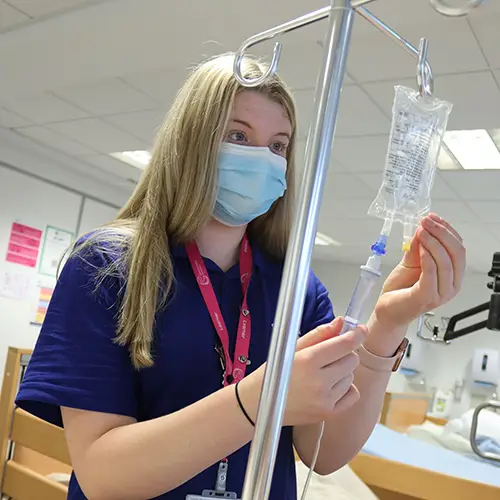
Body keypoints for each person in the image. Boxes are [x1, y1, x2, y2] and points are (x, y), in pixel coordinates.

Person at [16, 54, 465, 500]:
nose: (262, 160)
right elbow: (102, 477)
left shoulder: (297, 290)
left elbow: (321, 454)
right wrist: (262, 397)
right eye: (237, 135)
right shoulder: (107, 267)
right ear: (191, 141)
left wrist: (388, 325)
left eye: (278, 146)